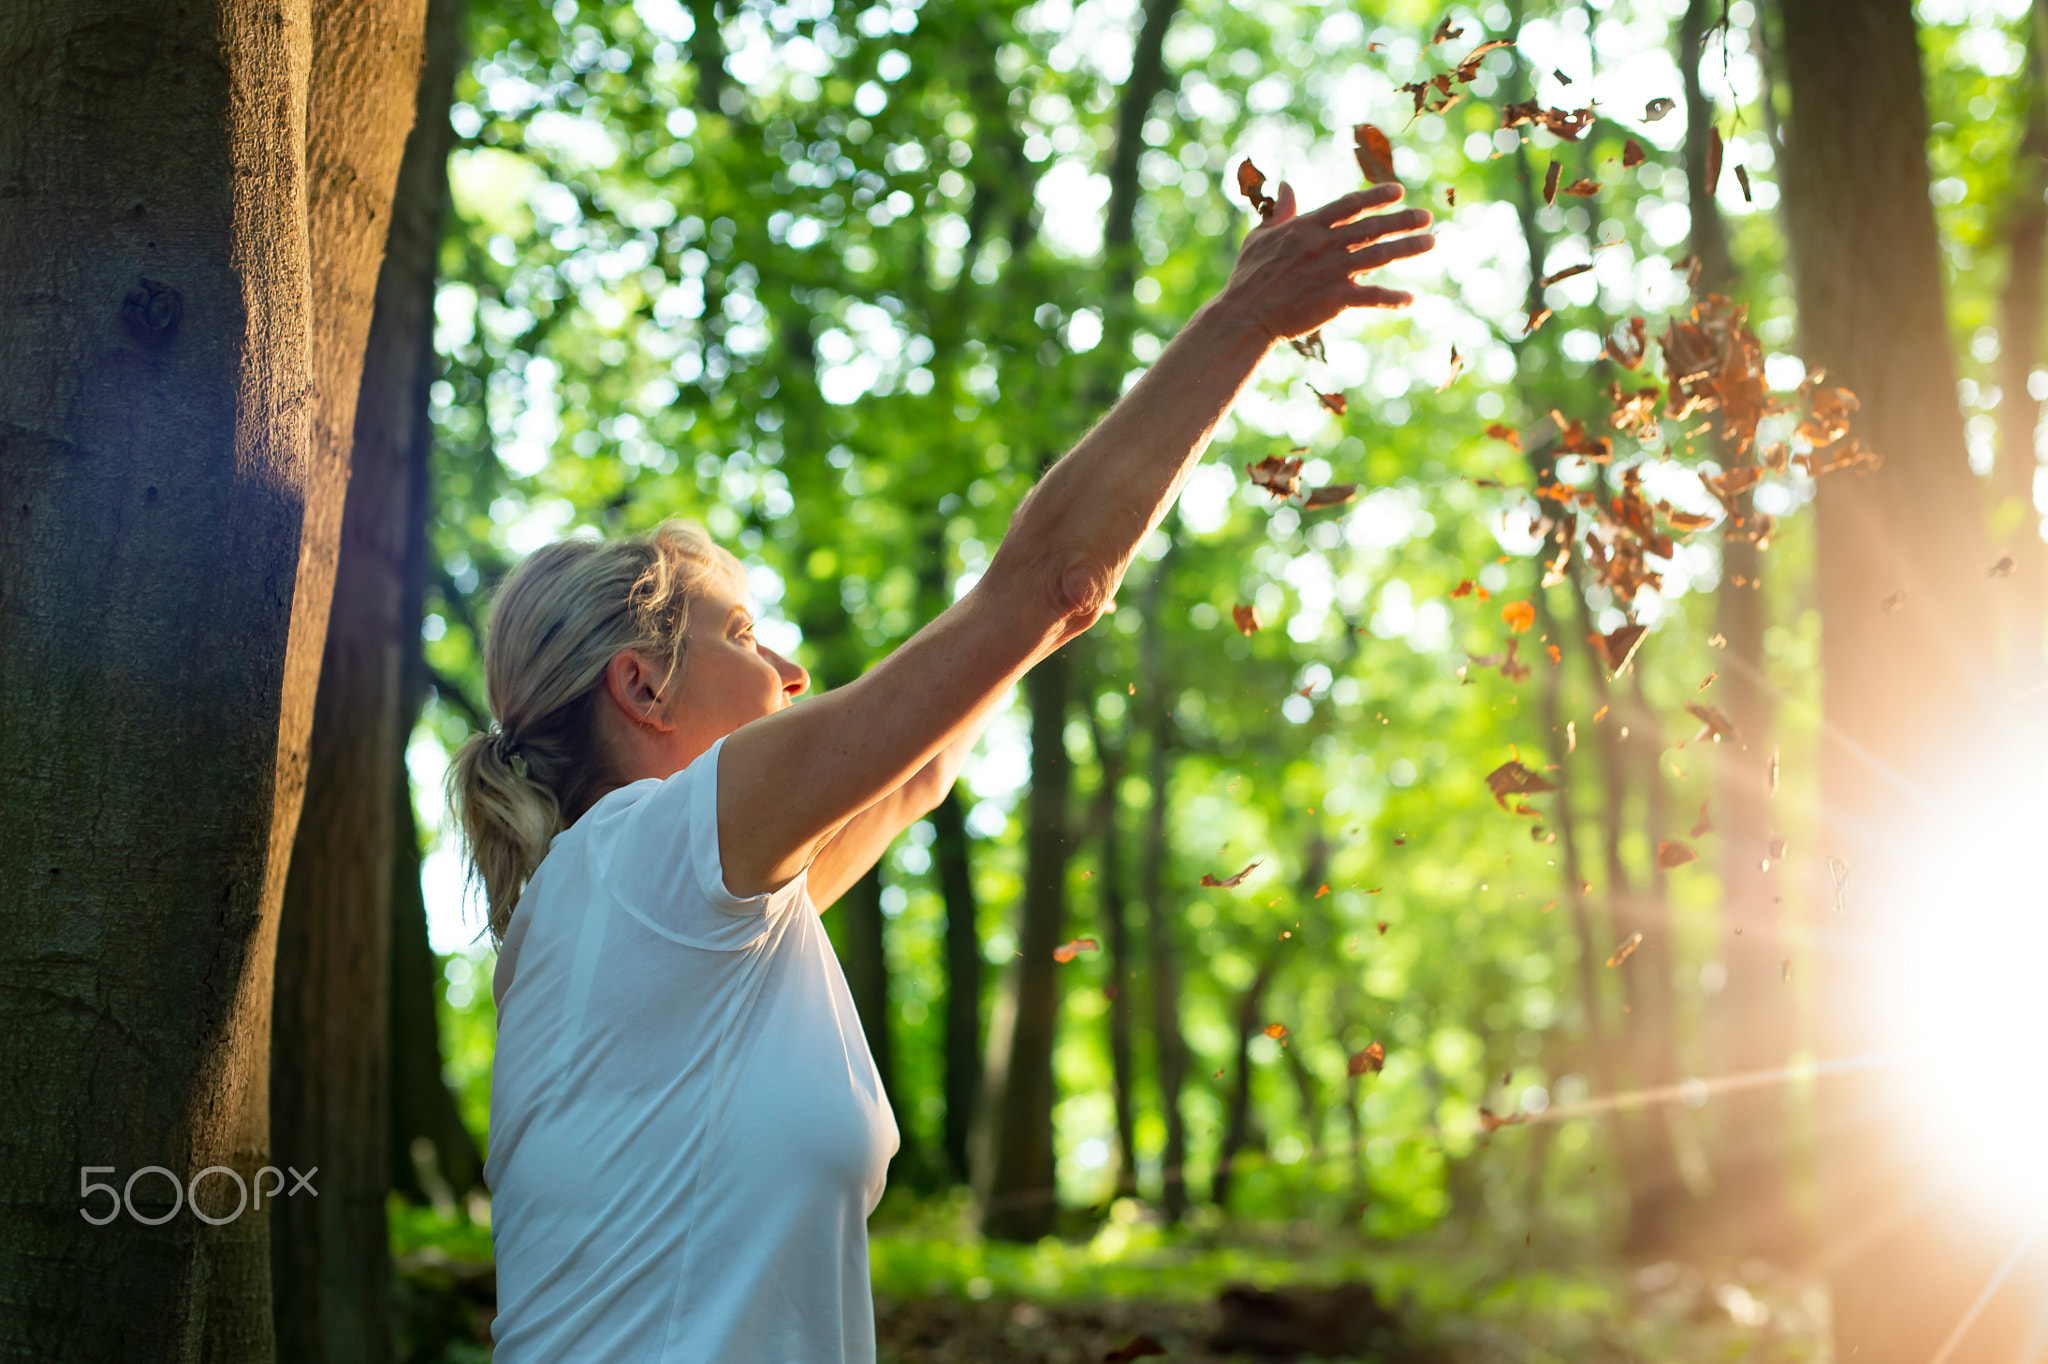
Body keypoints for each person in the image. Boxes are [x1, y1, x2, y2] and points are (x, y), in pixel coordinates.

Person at [448, 178, 1433, 1362]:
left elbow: (924, 763)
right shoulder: (647, 855)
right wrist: (1238, 323)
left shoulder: (664, 917)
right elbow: (1041, 578)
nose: (793, 666)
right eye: (744, 633)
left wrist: (1040, 621)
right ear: (642, 689)